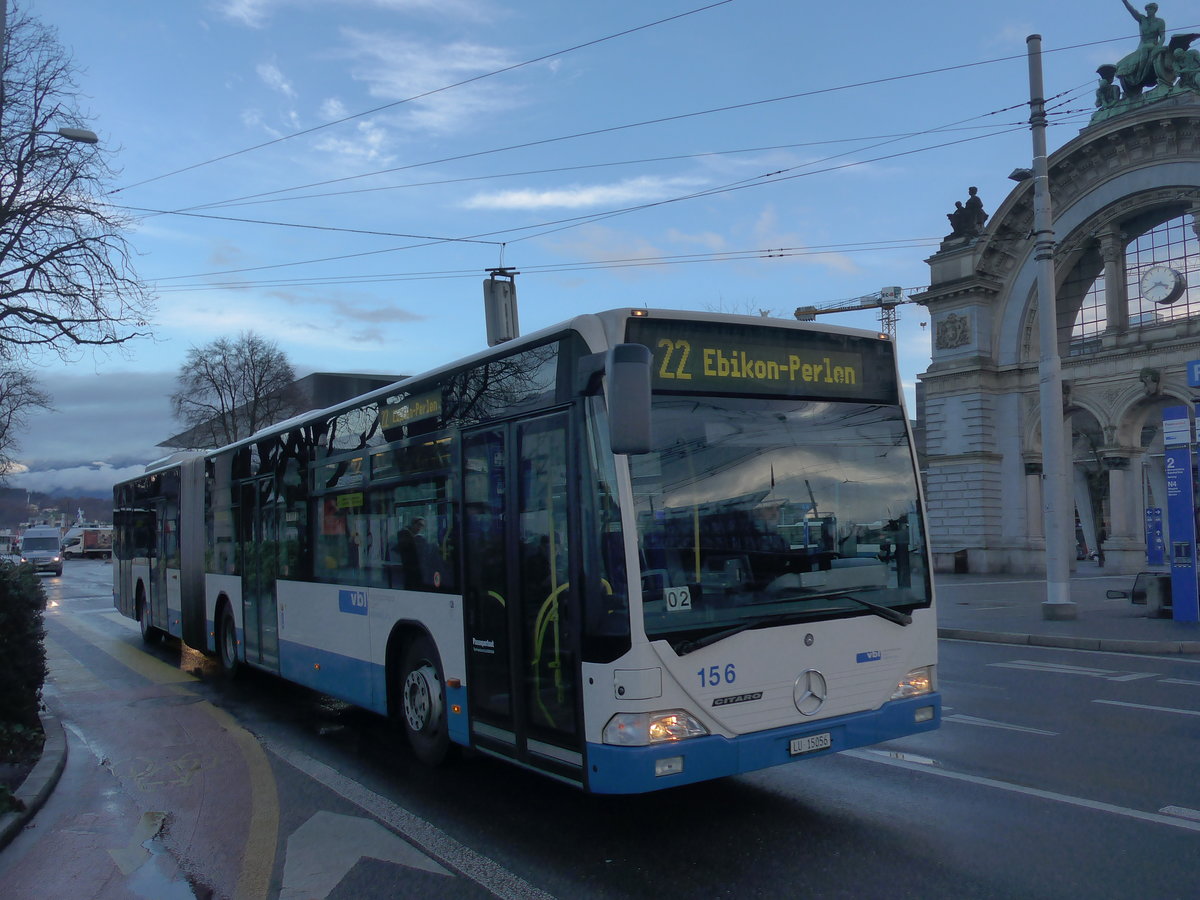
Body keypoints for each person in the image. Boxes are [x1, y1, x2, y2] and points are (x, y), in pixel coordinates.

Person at [1115, 2, 1167, 95]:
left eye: (1150, 9)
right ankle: (1134, 81)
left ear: (1155, 10)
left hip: (1153, 45)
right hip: (1141, 47)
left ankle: (1140, 75)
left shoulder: (1160, 22)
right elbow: (1132, 11)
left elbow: (1162, 36)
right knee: (1120, 64)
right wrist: (1124, 1)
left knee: (1145, 48)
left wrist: (1158, 47)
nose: (1148, 11)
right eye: (1147, 10)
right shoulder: (1142, 19)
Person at [394, 517, 426, 588]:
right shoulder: (404, 533)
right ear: (413, 524)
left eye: (422, 526)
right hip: (409, 567)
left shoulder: (418, 537)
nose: (419, 528)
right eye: (419, 525)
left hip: (416, 567)